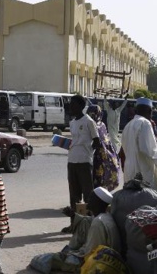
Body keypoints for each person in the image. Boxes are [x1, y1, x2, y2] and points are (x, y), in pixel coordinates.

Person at [120, 97, 157, 191]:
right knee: (146, 203)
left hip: (129, 172)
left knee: (132, 203)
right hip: (142, 173)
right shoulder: (145, 123)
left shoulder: (128, 125)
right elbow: (150, 152)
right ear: (150, 111)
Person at [65, 94, 99, 228]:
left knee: (88, 194)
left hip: (84, 162)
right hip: (72, 160)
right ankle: (74, 224)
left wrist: (88, 152)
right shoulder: (72, 123)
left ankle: (89, 223)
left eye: (73, 105)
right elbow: (73, 140)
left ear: (81, 106)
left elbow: (97, 141)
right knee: (74, 195)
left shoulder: (89, 121)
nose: (70, 107)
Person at [87, 105, 120, 191]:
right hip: (105, 155)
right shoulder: (102, 124)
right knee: (101, 177)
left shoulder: (93, 125)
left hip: (97, 156)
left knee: (96, 177)